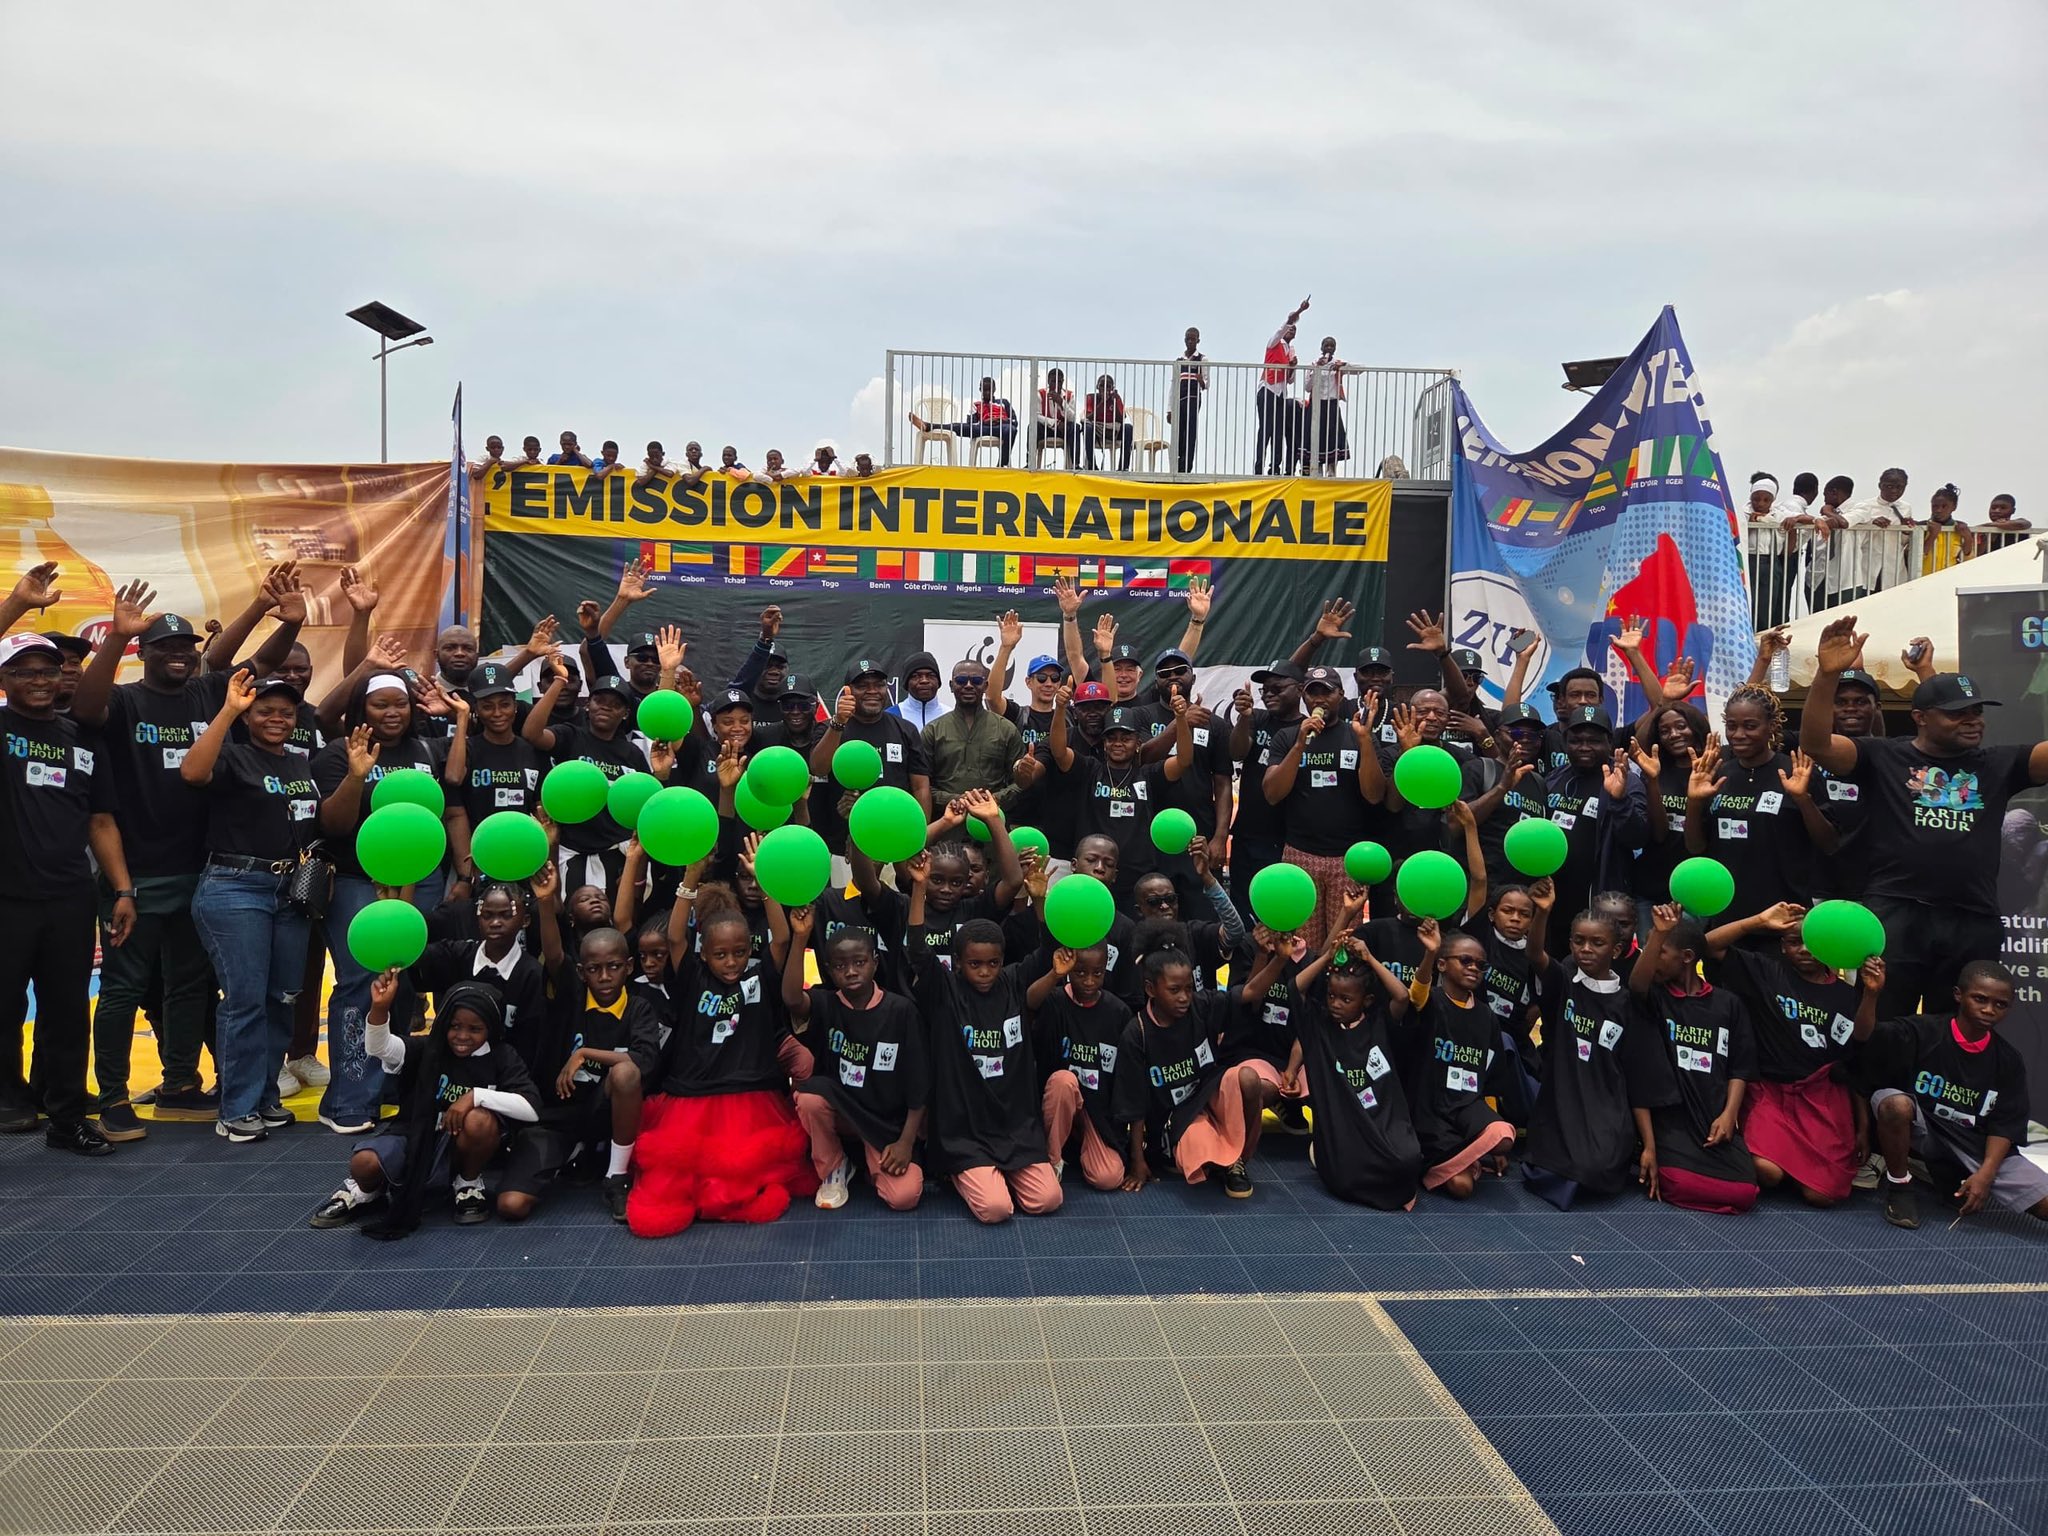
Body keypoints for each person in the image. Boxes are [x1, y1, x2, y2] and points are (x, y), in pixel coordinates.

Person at [71, 573, 305, 1132]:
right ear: (144, 653)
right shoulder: (125, 700)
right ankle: (113, 1097)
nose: (178, 655)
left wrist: (285, 619)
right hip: (136, 874)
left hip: (202, 872)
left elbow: (261, 663)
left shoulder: (206, 693)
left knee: (189, 985)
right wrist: (114, 638)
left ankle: (179, 1083)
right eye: (164, 647)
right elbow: (85, 708)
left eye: (186, 647)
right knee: (123, 989)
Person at [1800, 615, 2048, 1015]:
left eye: (1977, 712)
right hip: (1897, 912)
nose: (1973, 721)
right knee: (1883, 1023)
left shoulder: (1998, 764)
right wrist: (1827, 676)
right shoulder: (1884, 756)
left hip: (1971, 919)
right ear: (1920, 718)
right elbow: (1816, 744)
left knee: (1954, 1031)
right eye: (1958, 713)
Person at [628, 873, 816, 1237]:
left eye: (740, 952)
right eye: (720, 955)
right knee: (676, 1184)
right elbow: (675, 937)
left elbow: (780, 939)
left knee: (744, 1174)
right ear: (703, 954)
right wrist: (690, 878)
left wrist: (767, 887)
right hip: (694, 1096)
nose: (731, 962)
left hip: (751, 1094)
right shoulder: (692, 978)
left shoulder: (758, 977)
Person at [0, 632, 127, 1154]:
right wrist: (16, 604)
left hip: (71, 897)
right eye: (24, 671)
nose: (38, 680)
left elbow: (101, 820)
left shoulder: (83, 738)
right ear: (4, 679)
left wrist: (123, 889)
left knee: (68, 1012)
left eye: (47, 671)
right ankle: (9, 1098)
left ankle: (67, 1117)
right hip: (6, 898)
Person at [180, 670, 320, 1144]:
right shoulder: (232, 755)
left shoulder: (299, 763)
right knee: (245, 1001)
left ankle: (264, 1097)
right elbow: (192, 773)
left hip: (290, 891)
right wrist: (228, 711)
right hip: (236, 886)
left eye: (286, 712)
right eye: (265, 710)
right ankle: (236, 1107)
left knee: (282, 998)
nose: (277, 718)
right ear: (248, 714)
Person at [310, 672, 448, 1135]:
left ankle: (389, 1084)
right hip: (356, 879)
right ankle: (347, 1098)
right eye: (380, 705)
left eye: (400, 704)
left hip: (419, 878)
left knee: (402, 982)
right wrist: (355, 775)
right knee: (361, 981)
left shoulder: (425, 750)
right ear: (360, 709)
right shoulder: (338, 752)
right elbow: (333, 824)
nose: (392, 713)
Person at [307, 978, 540, 1234]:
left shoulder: (501, 1055)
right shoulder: (430, 1048)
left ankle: (467, 1183)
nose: (463, 1036)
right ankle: (365, 1193)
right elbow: (379, 1048)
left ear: (491, 1028)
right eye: (454, 1026)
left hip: (460, 1147)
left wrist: (475, 1097)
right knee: (363, 1163)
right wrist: (380, 1009)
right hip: (416, 1137)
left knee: (479, 1121)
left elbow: (530, 1108)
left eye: (475, 1029)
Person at [905, 854, 1062, 1223]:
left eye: (993, 963)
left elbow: (1047, 954)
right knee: (996, 1209)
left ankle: (1007, 1173)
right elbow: (918, 950)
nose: (985, 972)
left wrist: (1040, 901)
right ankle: (961, 1173)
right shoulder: (943, 990)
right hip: (965, 1132)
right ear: (957, 963)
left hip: (1014, 1127)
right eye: (974, 964)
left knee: (1048, 1199)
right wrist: (918, 888)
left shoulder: (1013, 980)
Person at [1707, 902, 1881, 1207]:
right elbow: (1707, 945)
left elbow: (1860, 1043)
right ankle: (1785, 1161)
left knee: (1823, 1196)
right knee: (1767, 1172)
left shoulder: (1845, 993)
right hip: (1770, 1094)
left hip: (1821, 1098)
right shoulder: (1765, 971)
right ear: (1782, 947)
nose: (1804, 949)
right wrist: (1757, 921)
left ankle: (1798, 1166)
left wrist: (1872, 994)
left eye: (1812, 942)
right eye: (1794, 942)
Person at [503, 927, 664, 1224]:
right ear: (581, 972)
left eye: (614, 967)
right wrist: (545, 905)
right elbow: (553, 956)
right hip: (558, 1119)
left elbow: (645, 1060)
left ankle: (616, 1176)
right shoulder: (569, 999)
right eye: (593, 969)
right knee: (511, 1205)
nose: (604, 977)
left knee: (626, 1072)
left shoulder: (640, 1007)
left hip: (604, 1114)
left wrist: (584, 1053)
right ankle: (573, 1153)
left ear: (629, 966)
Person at [1866, 961, 2043, 1230]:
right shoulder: (1924, 1030)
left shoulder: (2008, 1060)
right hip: (1925, 1130)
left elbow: (2005, 1125)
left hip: (1973, 1145)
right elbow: (1865, 1036)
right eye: (1980, 999)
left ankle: (1948, 1174)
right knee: (1894, 1104)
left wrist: (1986, 1174)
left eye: (2000, 1004)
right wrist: (1871, 995)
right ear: (1959, 995)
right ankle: (1900, 1187)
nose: (1989, 1010)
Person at [1114, 932, 1286, 1199]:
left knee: (1249, 1079)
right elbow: (1134, 1107)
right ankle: (1213, 1153)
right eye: (1174, 990)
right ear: (1150, 989)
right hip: (1176, 1116)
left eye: (1188, 988)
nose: (1184, 997)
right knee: (1200, 1152)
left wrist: (1280, 959)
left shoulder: (1201, 1004)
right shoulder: (1137, 1034)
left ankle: (1237, 1160)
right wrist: (1138, 1161)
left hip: (1210, 1096)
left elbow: (1250, 992)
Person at [785, 909, 927, 1211]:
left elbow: (919, 1082)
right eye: (840, 966)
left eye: (859, 962)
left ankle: (870, 1161)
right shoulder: (825, 1003)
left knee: (904, 1197)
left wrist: (905, 1142)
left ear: (875, 962)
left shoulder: (901, 1011)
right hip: (843, 1110)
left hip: (885, 1122)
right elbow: (793, 999)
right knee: (809, 1098)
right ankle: (835, 1167)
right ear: (829, 970)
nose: (850, 971)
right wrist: (800, 938)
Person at [1625, 907, 1759, 1214]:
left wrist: (1729, 1115)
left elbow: (1740, 1067)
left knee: (1745, 1192)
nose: (1651, 956)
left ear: (1686, 957)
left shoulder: (1728, 1004)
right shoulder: (1656, 997)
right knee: (1679, 1183)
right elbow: (1636, 985)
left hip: (1712, 1115)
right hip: (1672, 1118)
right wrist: (1659, 933)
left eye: (1660, 951)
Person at [1290, 926, 1429, 1209]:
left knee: (1409, 1160)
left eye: (1346, 999)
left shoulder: (1379, 1022)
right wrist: (1327, 956)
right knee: (1347, 1179)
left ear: (1366, 1001)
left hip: (1382, 1122)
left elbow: (1402, 997)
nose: (1336, 1004)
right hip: (1342, 1129)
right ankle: (1325, 1154)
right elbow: (1295, 987)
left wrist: (1370, 959)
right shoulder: (1318, 1027)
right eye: (1331, 996)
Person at [1261, 666, 1388, 951]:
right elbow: (1272, 794)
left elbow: (1374, 795)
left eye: (1326, 692)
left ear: (1341, 695)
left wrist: (1365, 741)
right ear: (1303, 697)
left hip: (1348, 859)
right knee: (1301, 945)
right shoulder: (1287, 737)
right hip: (1300, 854)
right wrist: (1299, 745)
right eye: (1312, 693)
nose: (1319, 699)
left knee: (1343, 947)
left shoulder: (1358, 735)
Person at [1522, 909, 1639, 1209]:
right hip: (1562, 1098)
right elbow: (1534, 953)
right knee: (1573, 1168)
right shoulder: (1563, 983)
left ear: (1616, 950)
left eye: (1597, 943)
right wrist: (1543, 912)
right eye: (1578, 941)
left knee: (1601, 1167)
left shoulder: (1625, 1001)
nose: (1586, 949)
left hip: (1606, 1100)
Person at [1684, 689, 1835, 920]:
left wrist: (1803, 800)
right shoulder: (1717, 774)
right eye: (1732, 726)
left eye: (1750, 726)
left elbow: (1829, 844)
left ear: (1771, 726)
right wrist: (1694, 802)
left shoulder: (1796, 772)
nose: (1738, 734)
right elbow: (1695, 847)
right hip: (1727, 914)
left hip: (1785, 912)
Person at [1408, 922, 1518, 1198]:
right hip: (1431, 1111)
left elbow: (1491, 1078)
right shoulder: (1431, 1002)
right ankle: (1463, 1160)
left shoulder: (1487, 1016)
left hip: (1467, 1107)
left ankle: (1472, 1153)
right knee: (1462, 1187)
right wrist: (1430, 953)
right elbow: (1416, 996)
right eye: (1465, 960)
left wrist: (1489, 1138)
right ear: (1442, 965)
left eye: (1481, 965)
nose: (1473, 968)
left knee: (1503, 1136)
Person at [1541, 708, 1645, 956]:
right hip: (1552, 900)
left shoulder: (1626, 780)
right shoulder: (1553, 779)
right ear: (1565, 742)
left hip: (1596, 901)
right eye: (1576, 741)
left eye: (1594, 741)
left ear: (1609, 742)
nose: (1584, 747)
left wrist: (1619, 800)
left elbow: (1637, 837)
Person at [1030, 942, 1132, 1192]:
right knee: (1064, 1081)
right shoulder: (1054, 1001)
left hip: (1097, 1109)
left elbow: (1126, 1079)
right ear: (1069, 970)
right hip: (1060, 1101)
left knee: (1108, 1178)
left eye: (1097, 973)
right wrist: (1054, 974)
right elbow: (1030, 1002)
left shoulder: (1118, 1012)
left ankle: (1082, 1145)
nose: (1088, 981)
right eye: (1080, 972)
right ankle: (1052, 1159)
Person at [922, 659, 1022, 803]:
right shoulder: (933, 731)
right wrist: (956, 800)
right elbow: (921, 785)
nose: (968, 685)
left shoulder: (1006, 729)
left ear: (985, 686)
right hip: (946, 816)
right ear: (951, 685)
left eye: (976, 681)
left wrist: (993, 799)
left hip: (993, 814)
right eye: (961, 680)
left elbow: (1020, 783)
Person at [1840, 466, 1917, 594]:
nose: (1894, 491)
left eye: (1899, 487)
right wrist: (1872, 522)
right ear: (1880, 485)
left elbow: (1902, 542)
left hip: (1894, 566)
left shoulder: (1906, 508)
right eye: (1889, 486)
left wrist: (1905, 531)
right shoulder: (1866, 506)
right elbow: (1854, 533)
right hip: (1869, 564)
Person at [1255, 296, 1309, 475]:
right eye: (1290, 328)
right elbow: (1286, 324)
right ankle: (1258, 467)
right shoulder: (1274, 342)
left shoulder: (1289, 351)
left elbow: (1290, 380)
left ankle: (1275, 468)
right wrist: (1300, 311)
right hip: (1268, 389)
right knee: (1266, 429)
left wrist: (1292, 367)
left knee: (1278, 431)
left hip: (1281, 393)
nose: (1292, 330)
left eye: (1294, 329)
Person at [910, 377, 1017, 467]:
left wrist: (1001, 420)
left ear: (994, 389)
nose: (987, 393)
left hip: (1001, 429)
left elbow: (1014, 422)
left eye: (990, 390)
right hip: (983, 429)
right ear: (980, 389)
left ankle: (1001, 464)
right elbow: (971, 423)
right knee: (959, 426)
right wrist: (985, 422)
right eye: (985, 390)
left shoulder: (1004, 403)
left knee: (1011, 430)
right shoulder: (976, 405)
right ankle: (928, 426)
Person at [1302, 337, 1352, 475]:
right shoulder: (1314, 364)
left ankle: (1331, 471)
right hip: (1316, 405)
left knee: (1332, 438)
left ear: (1335, 348)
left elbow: (1360, 369)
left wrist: (1343, 365)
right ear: (1321, 347)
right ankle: (1316, 470)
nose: (1329, 348)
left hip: (1332, 403)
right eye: (1326, 345)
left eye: (1332, 346)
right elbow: (1307, 387)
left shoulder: (1337, 363)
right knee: (1315, 437)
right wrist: (1316, 368)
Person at [1083, 375, 1134, 472]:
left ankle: (1123, 467)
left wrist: (1114, 403)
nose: (1105, 389)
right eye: (1102, 386)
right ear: (1097, 387)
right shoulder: (1091, 397)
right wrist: (1103, 403)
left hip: (1113, 430)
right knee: (1087, 427)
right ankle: (1092, 465)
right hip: (1097, 430)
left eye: (1108, 386)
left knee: (1128, 428)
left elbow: (1121, 419)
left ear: (1112, 388)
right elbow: (1088, 417)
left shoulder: (1116, 398)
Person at [1173, 327, 1206, 473]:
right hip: (1180, 400)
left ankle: (1187, 467)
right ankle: (1177, 466)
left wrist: (1200, 380)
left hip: (1193, 398)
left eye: (1193, 339)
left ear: (1198, 340)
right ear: (1184, 340)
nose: (1190, 341)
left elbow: (1206, 384)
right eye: (1188, 339)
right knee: (1179, 433)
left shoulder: (1202, 359)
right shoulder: (1179, 361)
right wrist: (1170, 409)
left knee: (1190, 432)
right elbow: (1173, 385)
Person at [1033, 369, 1081, 467]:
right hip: (1046, 428)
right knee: (1033, 427)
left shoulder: (1069, 395)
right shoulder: (1040, 394)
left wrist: (1061, 402)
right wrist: (1054, 423)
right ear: (1048, 381)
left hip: (1063, 430)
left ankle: (1075, 464)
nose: (1056, 384)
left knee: (1075, 427)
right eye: (1053, 381)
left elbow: (1072, 418)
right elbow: (1036, 416)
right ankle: (1030, 462)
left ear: (1062, 381)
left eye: (1059, 381)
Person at [1921, 482, 1972, 573]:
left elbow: (1967, 560)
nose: (1939, 510)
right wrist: (1932, 536)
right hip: (1924, 579)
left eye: (1944, 506)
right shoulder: (1922, 527)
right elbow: (1915, 558)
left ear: (1954, 507)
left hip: (1949, 578)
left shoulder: (1960, 529)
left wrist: (1968, 538)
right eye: (1935, 506)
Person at [892, 651, 945, 731]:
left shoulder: (950, 715)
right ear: (906, 683)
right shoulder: (892, 716)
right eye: (916, 676)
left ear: (938, 682)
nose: (924, 680)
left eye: (931, 675)